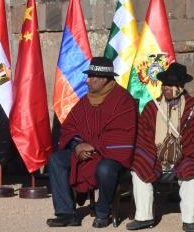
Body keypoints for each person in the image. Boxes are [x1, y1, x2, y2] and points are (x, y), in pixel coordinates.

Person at [126, 62, 194, 232]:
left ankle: (189, 220)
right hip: (156, 155)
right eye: (164, 84)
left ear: (181, 87)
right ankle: (144, 217)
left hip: (185, 156)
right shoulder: (152, 107)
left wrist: (182, 154)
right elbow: (143, 137)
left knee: (192, 169)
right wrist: (153, 153)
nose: (166, 88)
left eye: (171, 84)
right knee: (139, 165)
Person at [46, 57, 137, 228]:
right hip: (84, 150)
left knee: (104, 168)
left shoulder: (123, 100)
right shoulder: (86, 99)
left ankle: (103, 211)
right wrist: (77, 146)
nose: (87, 80)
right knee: (56, 160)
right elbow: (69, 128)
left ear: (104, 79)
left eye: (92, 77)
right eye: (88, 76)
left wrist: (94, 146)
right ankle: (66, 213)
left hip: (112, 154)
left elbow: (123, 135)